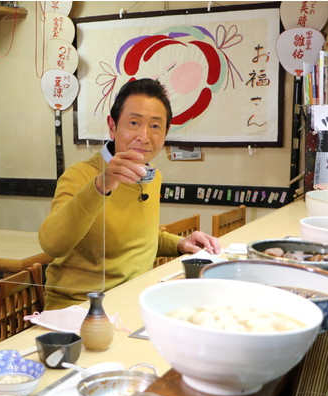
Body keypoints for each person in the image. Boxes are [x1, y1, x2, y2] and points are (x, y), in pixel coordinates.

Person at [38, 78, 221, 309]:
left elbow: (141, 238)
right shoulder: (81, 175)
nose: (144, 136)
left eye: (155, 126)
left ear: (166, 132)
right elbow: (51, 245)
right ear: (112, 126)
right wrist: (101, 185)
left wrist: (181, 243)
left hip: (132, 300)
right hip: (80, 308)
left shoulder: (151, 176)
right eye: (134, 123)